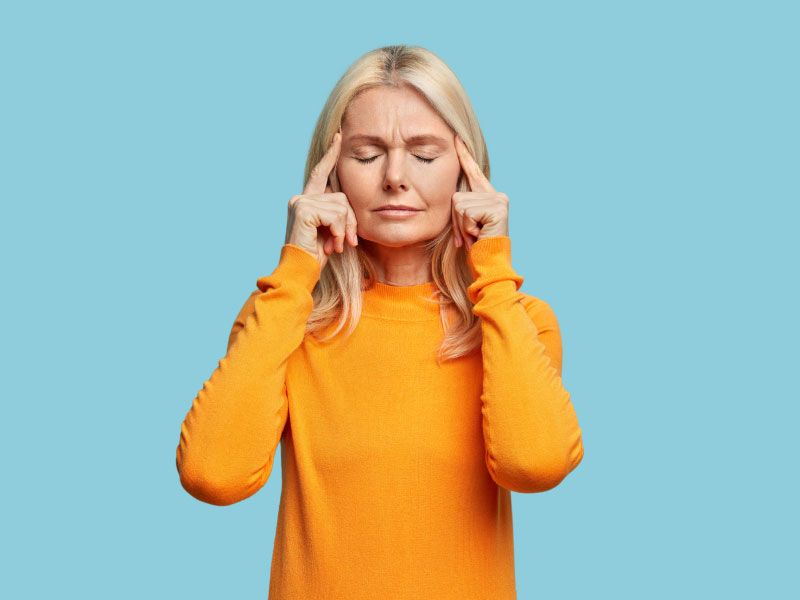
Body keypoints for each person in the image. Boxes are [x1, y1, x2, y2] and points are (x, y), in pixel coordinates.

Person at [175, 44, 584, 599]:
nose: (394, 177)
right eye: (367, 155)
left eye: (424, 154)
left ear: (468, 173)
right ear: (331, 172)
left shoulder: (515, 321)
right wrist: (296, 273)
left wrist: (492, 266)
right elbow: (212, 475)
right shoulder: (285, 318)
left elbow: (533, 465)